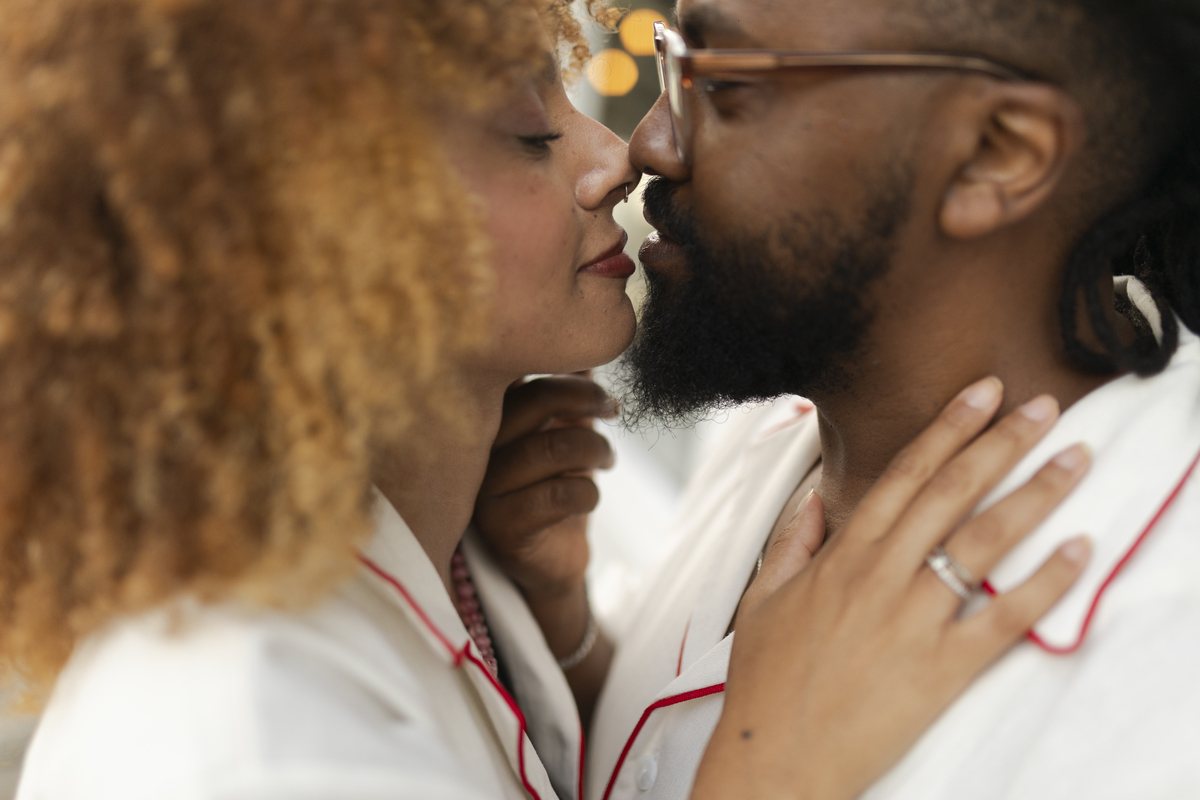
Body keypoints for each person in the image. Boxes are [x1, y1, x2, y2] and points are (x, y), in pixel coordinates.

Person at [0, 1, 1089, 799]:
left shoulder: (462, 567)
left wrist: (569, 640)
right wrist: (769, 761)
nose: (618, 158)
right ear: (311, 233)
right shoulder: (235, 730)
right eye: (529, 132)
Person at [478, 1, 1200, 799]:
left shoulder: (1165, 655)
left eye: (718, 83)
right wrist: (568, 629)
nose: (647, 144)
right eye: (668, 53)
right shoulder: (786, 411)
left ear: (996, 153)